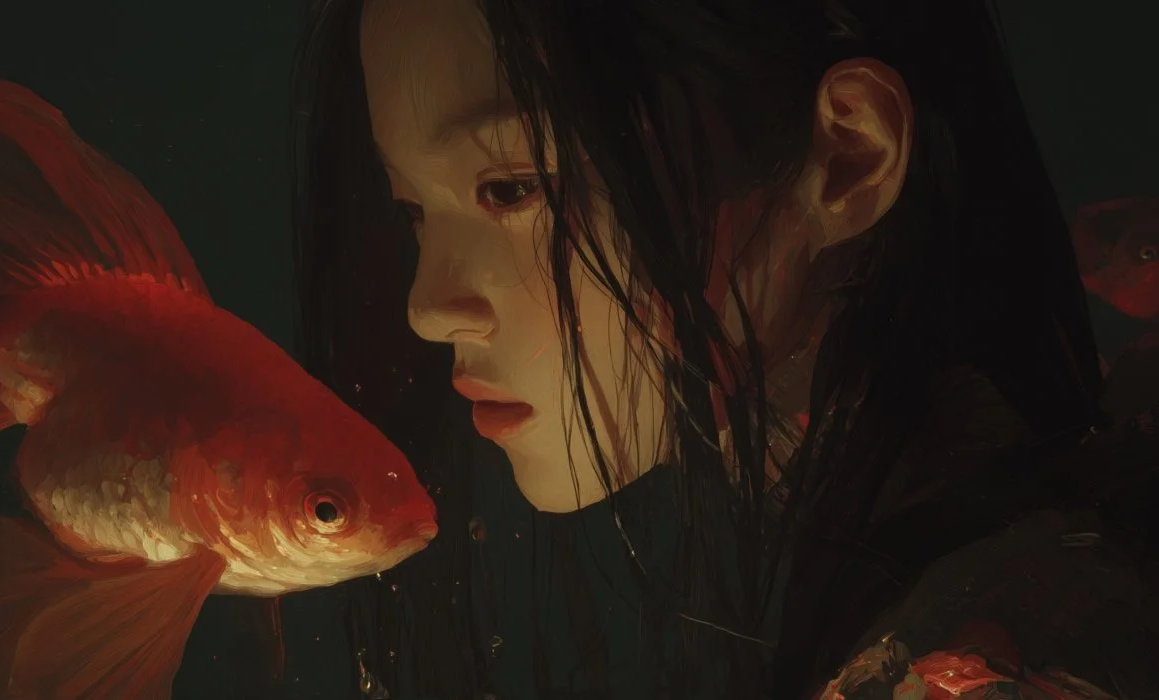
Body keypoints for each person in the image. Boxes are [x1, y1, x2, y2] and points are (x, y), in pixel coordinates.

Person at [289, 0, 1159, 697]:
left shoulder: (976, 665)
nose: (427, 308)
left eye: (512, 188)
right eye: (412, 210)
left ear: (849, 156)